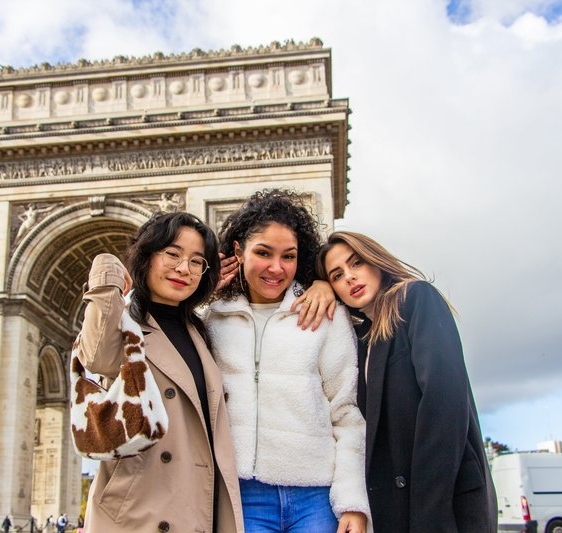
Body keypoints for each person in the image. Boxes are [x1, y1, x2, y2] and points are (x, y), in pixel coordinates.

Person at [206, 189, 370, 533]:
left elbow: (346, 414)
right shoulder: (209, 317)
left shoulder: (327, 313)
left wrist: (353, 502)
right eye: (263, 253)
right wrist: (200, 292)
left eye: (289, 256)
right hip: (242, 495)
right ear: (237, 251)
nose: (276, 268)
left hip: (317, 496)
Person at [315, 231, 498, 532]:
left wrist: (429, 506)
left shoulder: (417, 298)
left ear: (376, 260)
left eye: (356, 263)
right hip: (397, 509)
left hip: (443, 500)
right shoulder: (361, 340)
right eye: (337, 275)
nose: (350, 277)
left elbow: (444, 406)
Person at [76, 211, 243, 532]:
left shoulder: (201, 331)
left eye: (197, 262)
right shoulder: (123, 322)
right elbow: (96, 357)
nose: (184, 269)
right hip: (139, 512)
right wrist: (107, 271)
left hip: (198, 503)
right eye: (172, 254)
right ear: (146, 257)